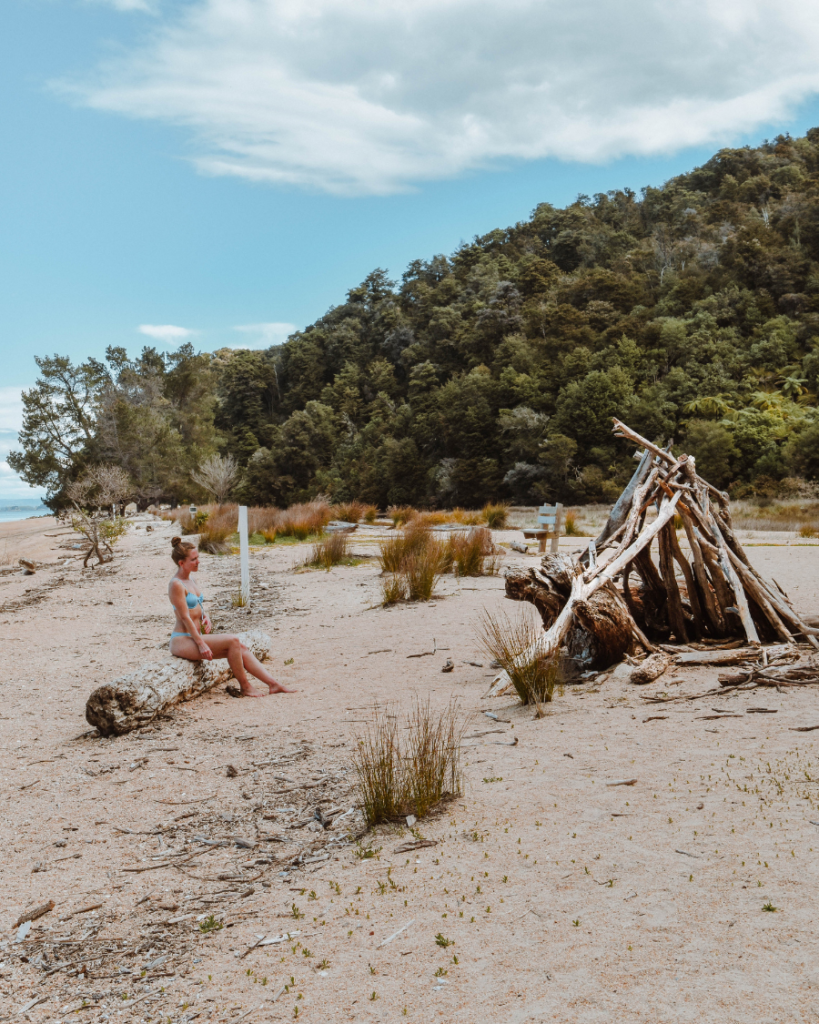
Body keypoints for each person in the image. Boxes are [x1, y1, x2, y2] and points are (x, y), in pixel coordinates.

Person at [168, 536, 292, 697]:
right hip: (182, 640)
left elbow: (198, 606)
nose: (198, 562)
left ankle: (273, 684)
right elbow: (184, 617)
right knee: (233, 640)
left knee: (240, 647)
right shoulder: (176, 584)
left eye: (198, 557)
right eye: (194, 559)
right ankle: (245, 686)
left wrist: (207, 617)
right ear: (181, 563)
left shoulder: (191, 579)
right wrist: (201, 644)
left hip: (195, 637)